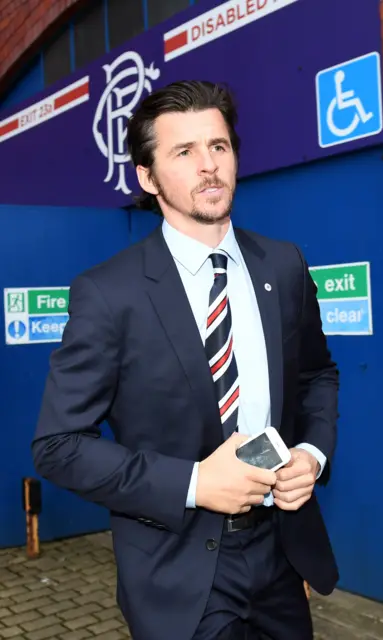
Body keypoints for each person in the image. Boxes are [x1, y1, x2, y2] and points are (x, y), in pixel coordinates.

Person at [31, 79, 339, 640]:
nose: (208, 166)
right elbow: (58, 446)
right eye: (184, 151)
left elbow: (318, 374)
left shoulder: (284, 265)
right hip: (177, 567)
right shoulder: (109, 293)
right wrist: (194, 483)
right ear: (147, 178)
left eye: (218, 146)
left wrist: (312, 455)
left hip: (280, 553)